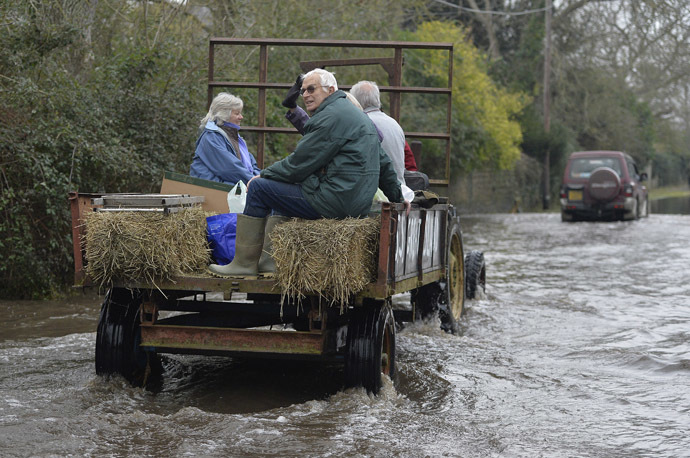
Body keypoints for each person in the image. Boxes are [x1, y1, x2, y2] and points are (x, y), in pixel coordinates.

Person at [209, 69, 408, 277]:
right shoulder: (356, 115)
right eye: (303, 90)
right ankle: (269, 263)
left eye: (311, 89)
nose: (305, 95)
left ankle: (243, 264)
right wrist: (398, 199)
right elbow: (384, 163)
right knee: (282, 189)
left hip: (335, 201)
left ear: (331, 90)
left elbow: (298, 165)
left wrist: (264, 175)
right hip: (356, 203)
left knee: (260, 188)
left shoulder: (330, 117)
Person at [190, 92, 260, 185]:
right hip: (211, 190)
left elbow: (252, 165)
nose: (241, 117)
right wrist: (256, 181)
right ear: (224, 115)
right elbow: (229, 169)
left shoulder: (236, 138)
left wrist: (258, 179)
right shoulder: (211, 137)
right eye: (237, 113)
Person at [350, 80, 406, 186]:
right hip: (401, 187)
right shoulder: (394, 123)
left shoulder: (362, 123)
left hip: (380, 189)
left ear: (356, 101)